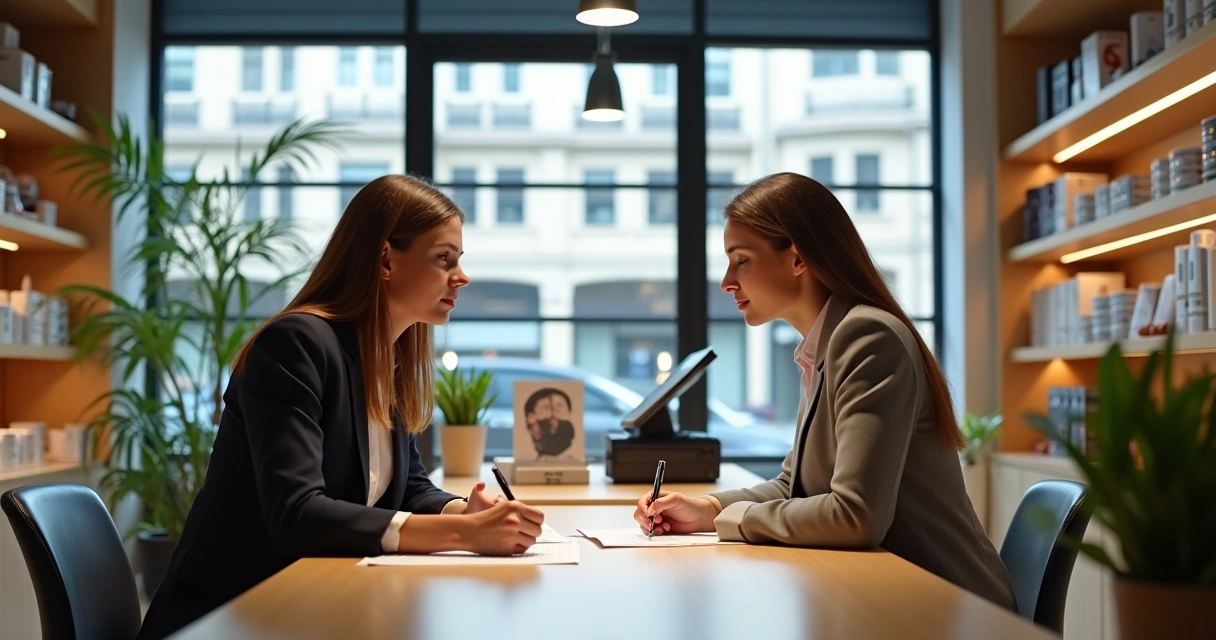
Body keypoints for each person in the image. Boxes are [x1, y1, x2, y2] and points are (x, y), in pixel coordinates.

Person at [138, 175, 545, 640]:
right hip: (232, 615)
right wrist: (466, 536)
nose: (462, 276)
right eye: (443, 259)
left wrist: (462, 511)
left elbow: (406, 487)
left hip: (310, 606)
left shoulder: (382, 354)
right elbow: (298, 514)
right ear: (387, 259)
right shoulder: (295, 344)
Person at [633, 172, 1017, 611]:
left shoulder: (867, 336)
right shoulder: (827, 344)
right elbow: (793, 486)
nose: (726, 281)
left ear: (798, 258)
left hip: (952, 607)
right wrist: (706, 507)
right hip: (893, 598)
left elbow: (856, 517)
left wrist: (729, 519)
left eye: (741, 260)